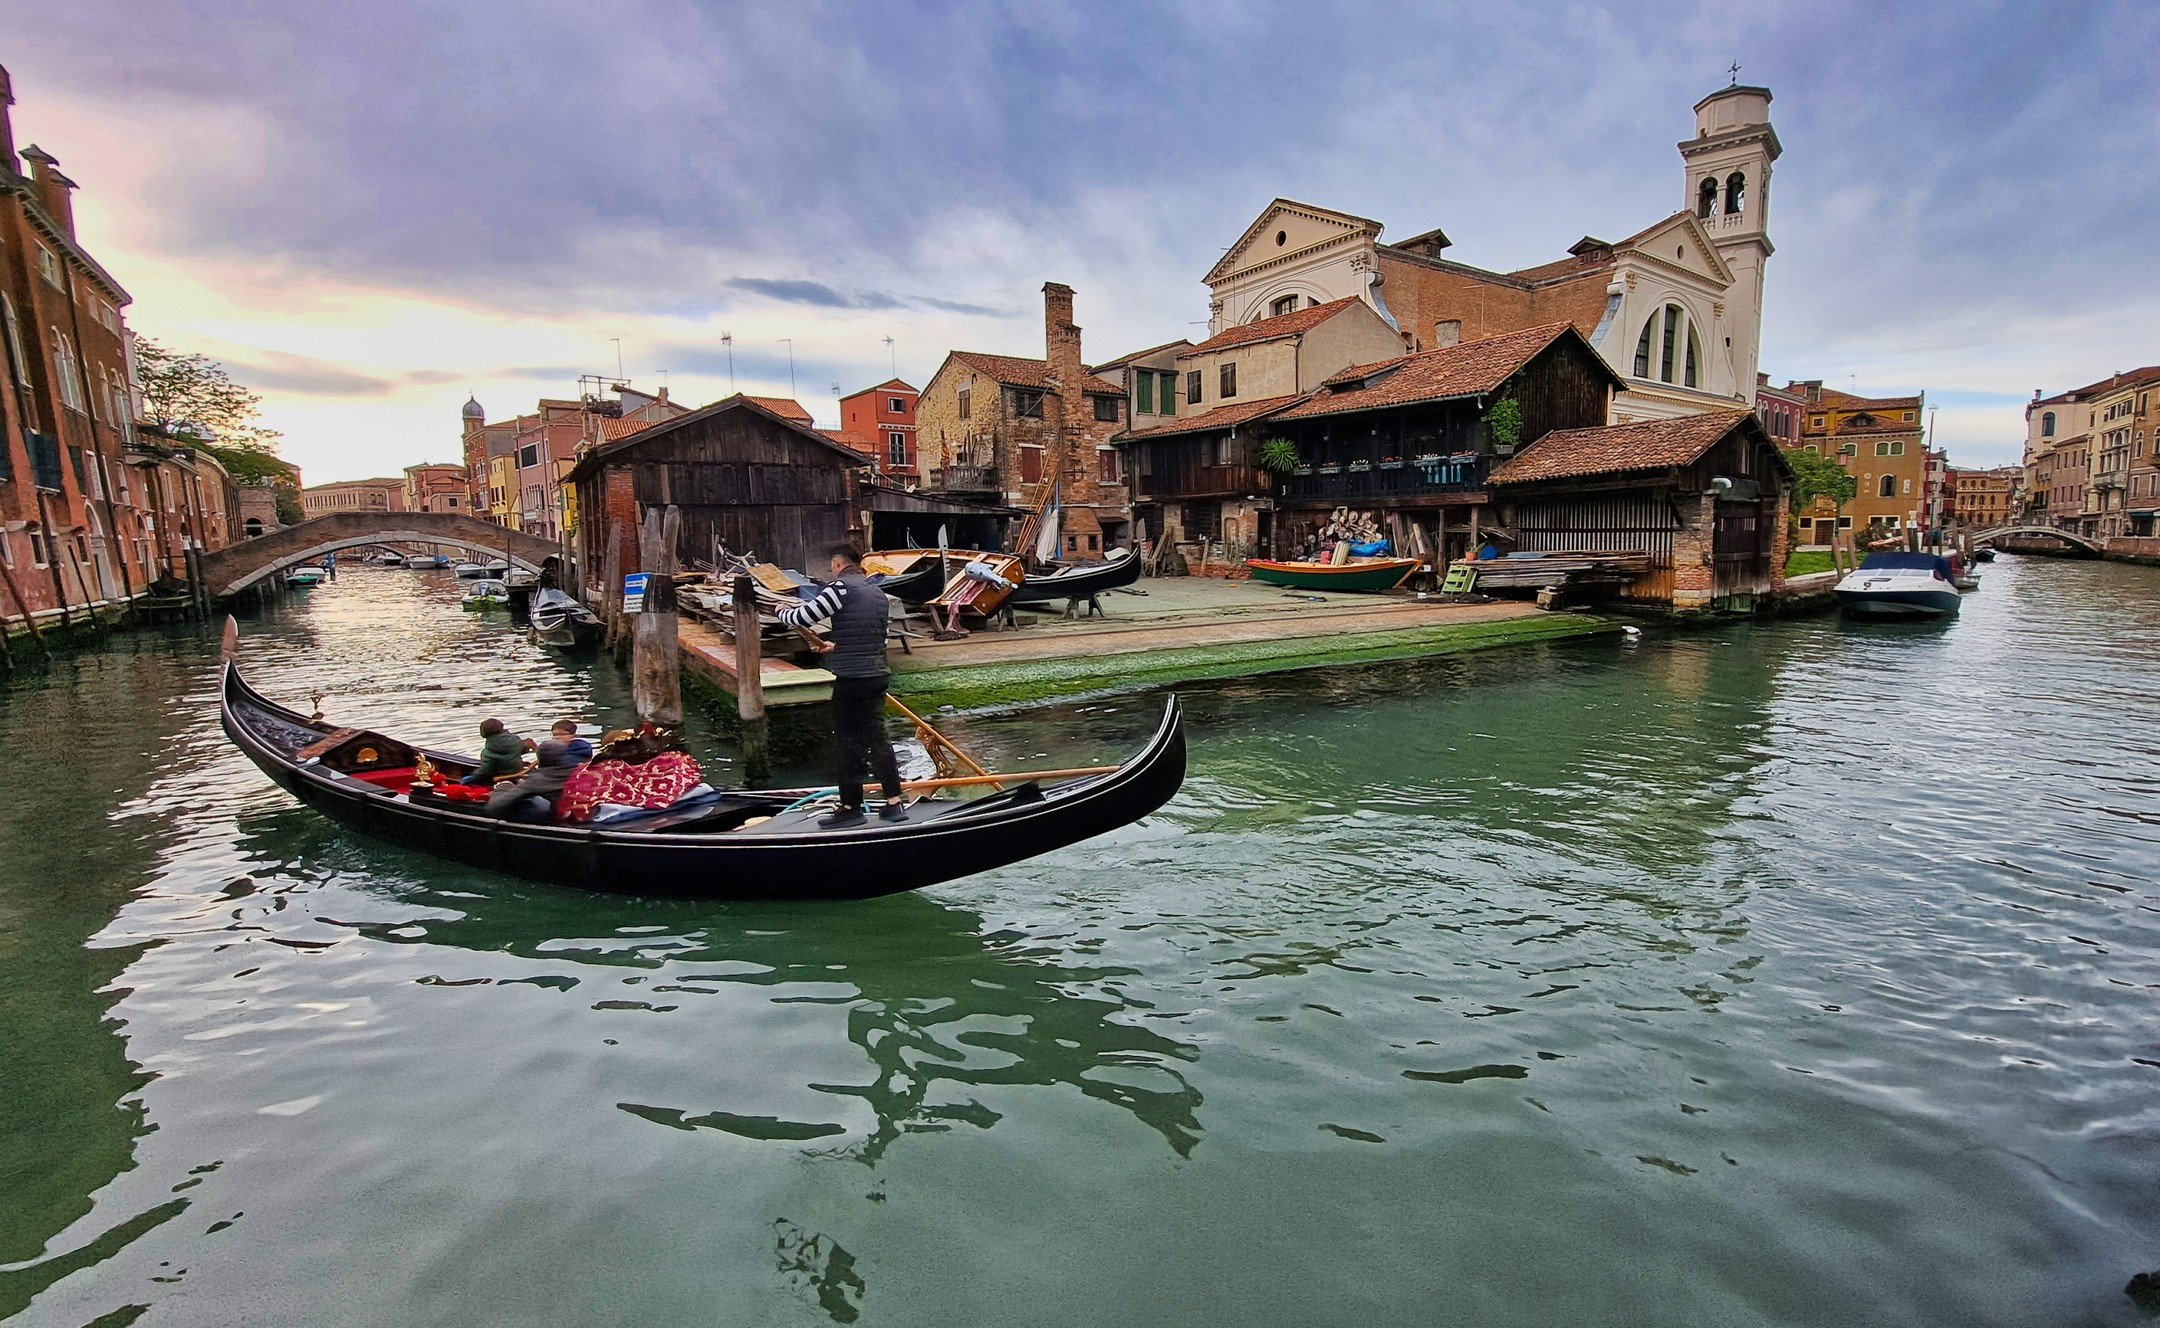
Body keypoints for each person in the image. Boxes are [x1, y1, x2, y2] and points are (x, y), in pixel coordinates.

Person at [777, 540, 906, 827]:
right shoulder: (877, 593)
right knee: (877, 737)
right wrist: (837, 645)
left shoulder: (840, 588)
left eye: (831, 566)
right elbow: (876, 639)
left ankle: (850, 807)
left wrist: (780, 611)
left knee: (848, 742)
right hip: (876, 675)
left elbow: (803, 616)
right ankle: (894, 803)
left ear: (838, 564)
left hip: (852, 678)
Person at [485, 730, 590, 823]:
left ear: (539, 758)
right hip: (580, 815)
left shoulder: (536, 780)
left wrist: (503, 786)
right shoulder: (581, 772)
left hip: (550, 818)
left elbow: (494, 808)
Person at [461, 718, 533, 785]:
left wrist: (473, 773)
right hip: (518, 772)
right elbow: (521, 749)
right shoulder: (517, 740)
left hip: (501, 778)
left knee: (464, 780)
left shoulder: (488, 753)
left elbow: (484, 772)